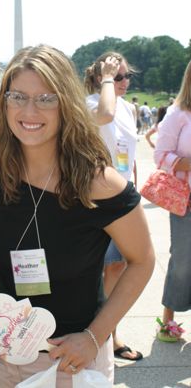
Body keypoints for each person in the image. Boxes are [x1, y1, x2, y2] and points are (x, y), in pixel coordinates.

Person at [0, 45, 154, 387]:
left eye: (46, 98)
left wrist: (94, 336)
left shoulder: (97, 182)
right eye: (18, 97)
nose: (30, 110)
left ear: (66, 104)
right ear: (4, 103)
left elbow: (142, 260)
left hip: (70, 364)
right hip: (0, 357)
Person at [84, 52, 143, 361]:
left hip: (121, 197)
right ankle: (98, 334)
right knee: (99, 268)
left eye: (126, 76)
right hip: (96, 198)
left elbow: (128, 153)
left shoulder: (130, 108)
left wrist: (134, 188)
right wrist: (106, 79)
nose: (124, 82)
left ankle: (110, 332)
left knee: (119, 267)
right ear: (100, 78)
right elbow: (104, 117)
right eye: (117, 76)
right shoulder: (94, 102)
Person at [154, 60, 191, 340]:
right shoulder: (178, 114)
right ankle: (168, 321)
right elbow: (160, 156)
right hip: (186, 201)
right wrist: (187, 164)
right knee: (182, 261)